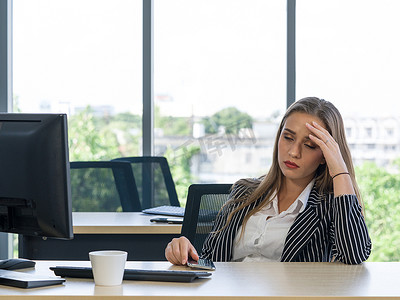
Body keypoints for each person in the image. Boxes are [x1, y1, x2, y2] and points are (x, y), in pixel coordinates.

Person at [165, 97, 371, 265]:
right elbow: (211, 259)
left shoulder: (329, 205)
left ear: (327, 155)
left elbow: (354, 254)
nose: (293, 152)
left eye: (309, 145)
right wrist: (184, 252)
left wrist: (340, 172)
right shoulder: (244, 191)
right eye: (288, 137)